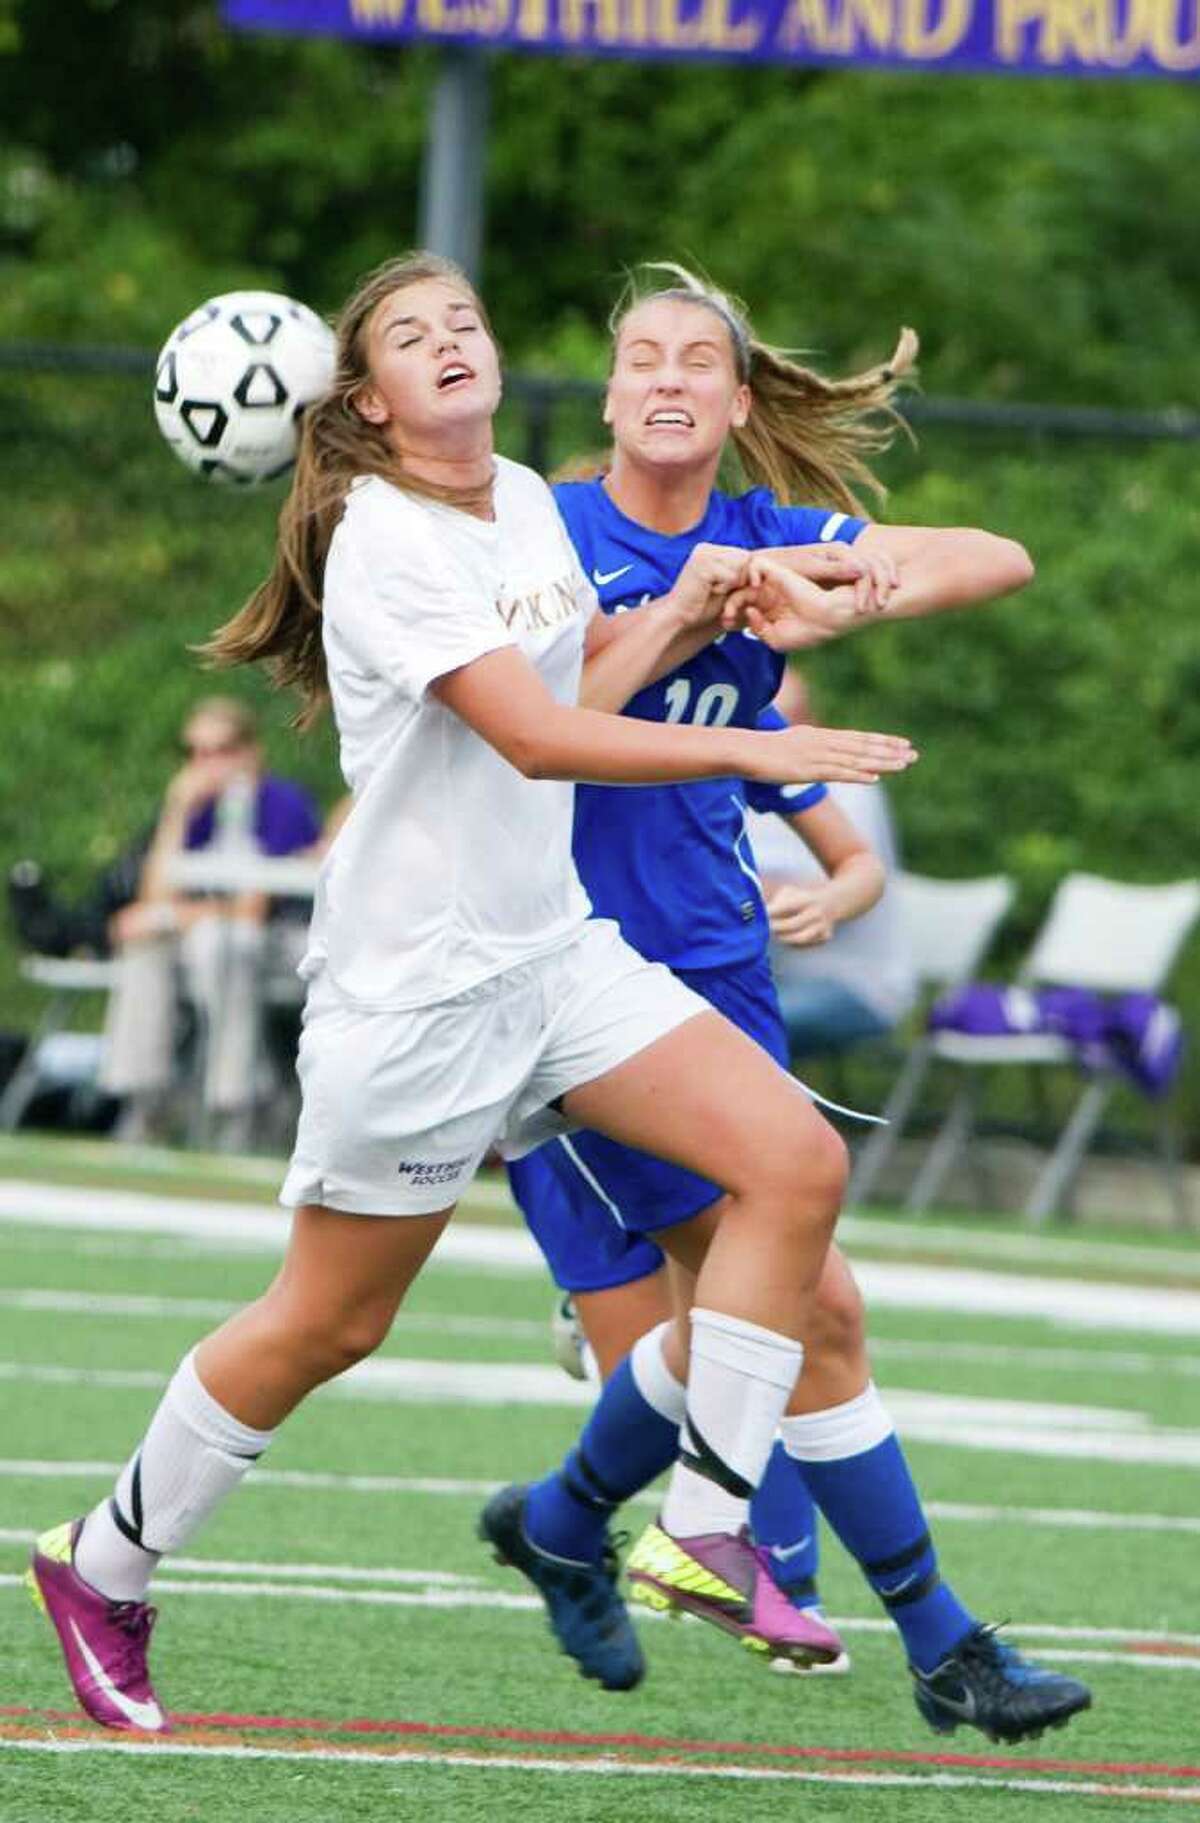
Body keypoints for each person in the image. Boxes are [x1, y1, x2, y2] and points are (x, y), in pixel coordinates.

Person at [25, 250, 918, 1734]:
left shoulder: (514, 490)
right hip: (420, 993)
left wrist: (690, 613)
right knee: (328, 1322)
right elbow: (535, 739)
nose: (452, 342)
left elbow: (583, 687)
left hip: (552, 953)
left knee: (794, 1162)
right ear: (365, 402)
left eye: (466, 321)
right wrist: (757, 753)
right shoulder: (385, 540)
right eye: (411, 336)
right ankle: (101, 1558)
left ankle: (702, 1525)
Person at [493, 263, 1090, 1745]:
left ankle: (572, 1516)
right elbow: (536, 730)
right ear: (615, 394)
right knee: (803, 1305)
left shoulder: (767, 535)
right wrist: (692, 616)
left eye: (703, 357)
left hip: (717, 981)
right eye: (644, 355)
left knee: (743, 1318)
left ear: (740, 402)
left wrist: (855, 582)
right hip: (572, 982)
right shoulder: (550, 531)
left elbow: (996, 556)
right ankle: (931, 1634)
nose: (672, 375)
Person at [97, 696, 321, 1146]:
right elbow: (152, 896)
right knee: (147, 948)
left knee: (221, 942)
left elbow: (250, 909)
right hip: (198, 939)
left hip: (268, 943)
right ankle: (143, 1098)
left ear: (249, 752)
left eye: (219, 751)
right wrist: (177, 813)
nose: (205, 764)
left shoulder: (280, 804)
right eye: (195, 752)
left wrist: (169, 915)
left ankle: (233, 1103)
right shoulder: (192, 808)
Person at [751, 668, 916, 1059]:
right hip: (769, 975)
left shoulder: (843, 785)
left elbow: (840, 885)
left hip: (853, 985)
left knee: (733, 1034)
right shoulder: (737, 775)